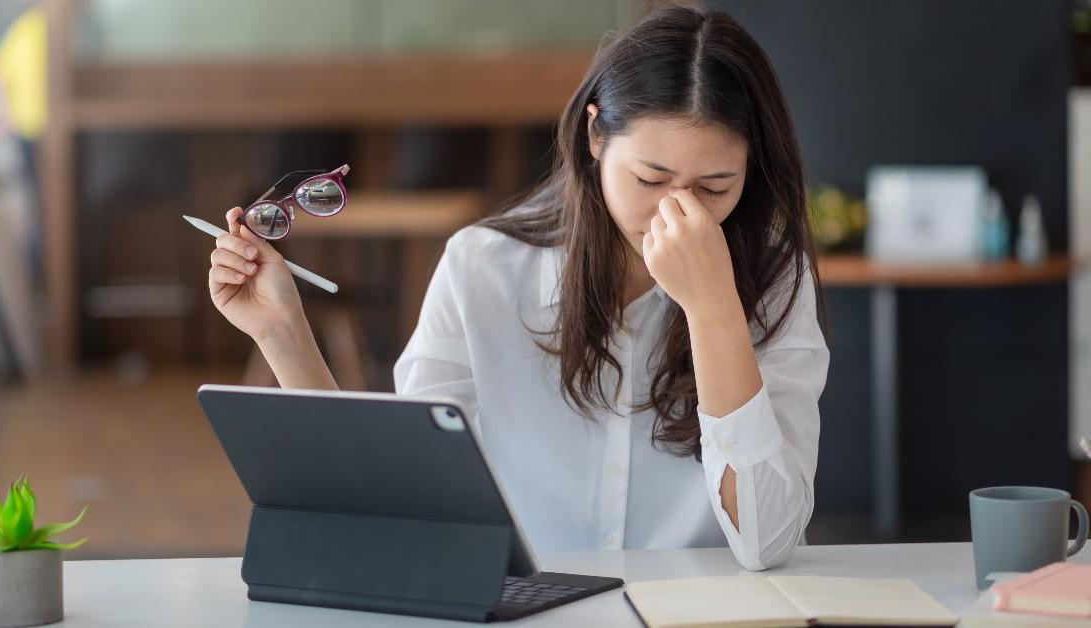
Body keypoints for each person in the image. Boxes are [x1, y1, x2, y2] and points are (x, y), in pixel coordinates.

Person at [206, 5, 828, 571]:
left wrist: (713, 308)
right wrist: (282, 332)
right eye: (650, 177)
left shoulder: (777, 282)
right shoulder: (483, 270)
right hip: (528, 607)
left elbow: (767, 542)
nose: (678, 214)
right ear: (594, 139)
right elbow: (401, 509)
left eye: (715, 188)